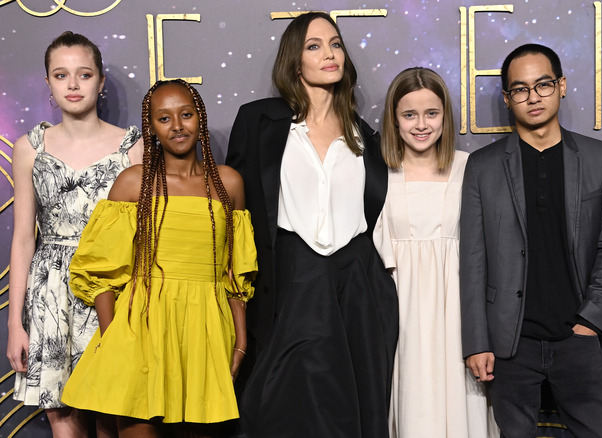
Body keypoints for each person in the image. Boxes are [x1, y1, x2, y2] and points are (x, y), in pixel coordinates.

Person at [226, 11, 398, 437]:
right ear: (294, 60)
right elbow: (233, 209)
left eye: (335, 44)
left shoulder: (366, 137)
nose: (329, 54)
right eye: (314, 45)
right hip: (289, 277)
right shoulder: (258, 121)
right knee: (281, 401)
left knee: (358, 400)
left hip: (357, 283)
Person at [59, 79, 256, 437]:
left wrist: (240, 342)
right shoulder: (134, 183)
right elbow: (102, 271)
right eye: (164, 118)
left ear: (201, 119)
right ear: (151, 127)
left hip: (207, 329)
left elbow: (236, 277)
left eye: (186, 115)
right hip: (141, 328)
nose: (177, 126)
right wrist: (113, 340)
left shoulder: (229, 183)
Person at [459, 43, 602, 438]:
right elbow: (473, 259)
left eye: (543, 84)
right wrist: (477, 341)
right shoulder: (482, 167)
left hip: (578, 336)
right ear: (507, 98)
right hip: (510, 342)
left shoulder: (599, 158)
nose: (533, 96)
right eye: (520, 89)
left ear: (562, 86)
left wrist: (592, 320)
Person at [6, 31, 142, 437]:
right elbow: (23, 239)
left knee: (110, 412)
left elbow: (145, 234)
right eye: (61, 75)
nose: (73, 84)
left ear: (100, 82)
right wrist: (16, 323)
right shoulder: (29, 148)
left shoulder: (132, 148)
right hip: (50, 293)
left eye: (84, 74)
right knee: (60, 415)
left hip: (112, 287)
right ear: (48, 83)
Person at [373, 67, 499, 438]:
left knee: (466, 405)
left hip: (460, 313)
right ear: (394, 120)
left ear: (446, 116)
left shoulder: (470, 168)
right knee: (414, 405)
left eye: (432, 113)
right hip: (402, 315)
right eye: (409, 114)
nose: (421, 125)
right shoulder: (378, 174)